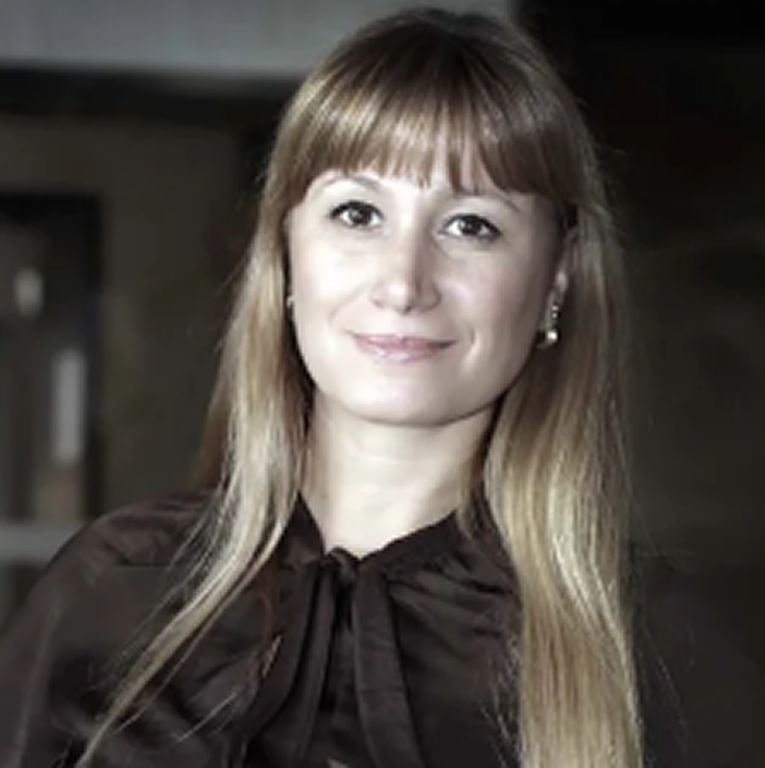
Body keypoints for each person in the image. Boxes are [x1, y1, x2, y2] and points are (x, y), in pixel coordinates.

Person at [0, 7, 763, 768]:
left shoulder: (652, 652)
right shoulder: (109, 590)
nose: (402, 284)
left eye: (470, 225)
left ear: (554, 279)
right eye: (357, 213)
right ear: (286, 252)